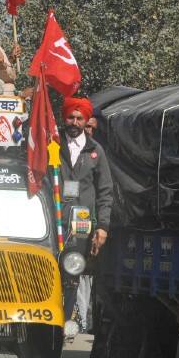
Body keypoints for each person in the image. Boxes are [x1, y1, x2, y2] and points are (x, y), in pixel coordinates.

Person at [58, 96, 114, 334]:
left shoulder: (95, 151)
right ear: (65, 117)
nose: (74, 121)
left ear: (86, 121)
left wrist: (102, 226)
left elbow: (105, 191)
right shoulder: (53, 144)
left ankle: (63, 325)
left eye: (79, 118)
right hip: (52, 222)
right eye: (71, 117)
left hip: (80, 226)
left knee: (72, 273)